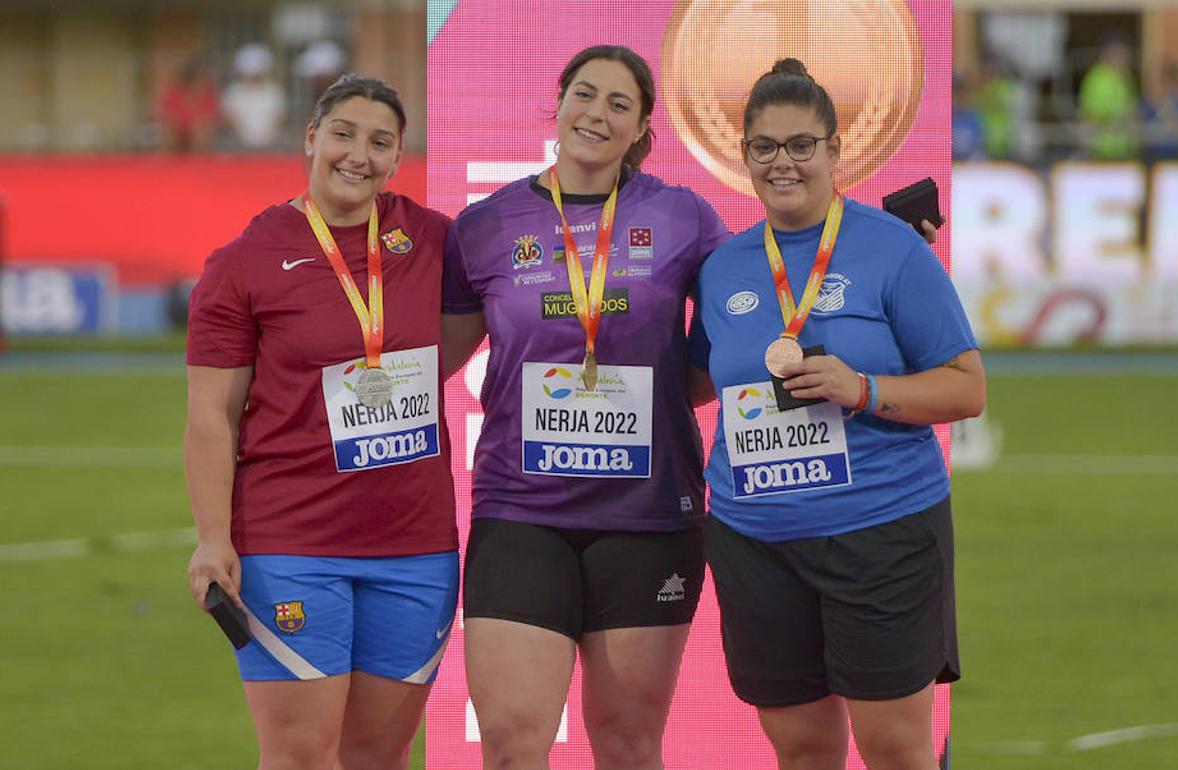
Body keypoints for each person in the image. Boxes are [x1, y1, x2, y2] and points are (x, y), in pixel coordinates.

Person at [688, 59, 985, 770]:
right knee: (802, 750)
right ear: (745, 156)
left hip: (878, 535)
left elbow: (967, 387)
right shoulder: (723, 265)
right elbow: (705, 379)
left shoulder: (892, 250)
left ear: (833, 150)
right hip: (754, 540)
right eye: (765, 146)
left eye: (800, 145)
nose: (782, 162)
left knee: (894, 751)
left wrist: (865, 390)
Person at [440, 45, 730, 770]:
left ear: (641, 130)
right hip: (522, 516)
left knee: (629, 745)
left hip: (648, 520)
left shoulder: (684, 218)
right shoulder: (486, 225)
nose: (596, 113)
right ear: (559, 101)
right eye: (584, 94)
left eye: (619, 104)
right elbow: (428, 362)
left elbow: (732, 338)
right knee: (511, 747)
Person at [184, 74, 457, 770]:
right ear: (311, 138)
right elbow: (211, 417)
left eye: (379, 142)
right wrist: (213, 540)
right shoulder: (244, 261)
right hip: (290, 545)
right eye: (343, 133)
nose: (357, 155)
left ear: (397, 159)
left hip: (415, 550)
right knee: (302, 757)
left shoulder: (436, 243)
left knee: (379, 757)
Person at [1079, 33, 1139, 160]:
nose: (1125, 58)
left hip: (1124, 151)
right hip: (1100, 152)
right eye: (1119, 53)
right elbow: (1089, 115)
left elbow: (1132, 108)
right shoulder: (1096, 78)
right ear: (1106, 53)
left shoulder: (1126, 78)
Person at [221, 43, 287, 150]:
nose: (254, 75)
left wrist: (267, 140)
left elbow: (278, 120)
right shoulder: (233, 92)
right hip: (238, 147)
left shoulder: (274, 92)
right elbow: (229, 120)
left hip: (270, 146)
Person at [156, 54, 219, 153]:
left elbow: (211, 117)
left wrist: (195, 125)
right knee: (169, 130)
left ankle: (197, 164)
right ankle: (166, 164)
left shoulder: (208, 94)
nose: (203, 82)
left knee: (201, 131)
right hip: (177, 131)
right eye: (200, 78)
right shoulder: (173, 92)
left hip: (197, 132)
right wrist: (179, 125)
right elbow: (164, 113)